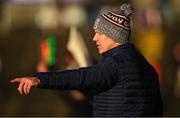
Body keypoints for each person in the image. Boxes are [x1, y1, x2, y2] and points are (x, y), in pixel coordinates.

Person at [10, 4, 163, 117]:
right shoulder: (144, 65)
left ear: (114, 35)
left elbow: (80, 78)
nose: (94, 38)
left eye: (100, 34)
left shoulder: (115, 65)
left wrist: (39, 79)